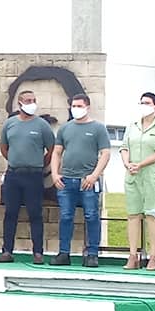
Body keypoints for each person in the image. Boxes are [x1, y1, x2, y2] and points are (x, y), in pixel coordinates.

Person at [50, 93, 111, 267]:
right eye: (73, 106)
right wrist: (55, 174)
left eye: (79, 106)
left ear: (87, 107)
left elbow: (105, 153)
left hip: (88, 181)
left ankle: (92, 254)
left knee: (92, 216)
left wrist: (94, 175)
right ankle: (64, 253)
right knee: (66, 216)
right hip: (66, 180)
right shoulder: (65, 128)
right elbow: (57, 152)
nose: (76, 109)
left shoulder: (98, 128)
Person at [0, 90, 55, 265]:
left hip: (34, 176)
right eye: (28, 100)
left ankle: (38, 252)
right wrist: (16, 161)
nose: (32, 103)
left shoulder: (42, 125)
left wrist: (38, 163)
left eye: (34, 100)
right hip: (13, 175)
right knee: (10, 213)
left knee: (35, 213)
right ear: (20, 103)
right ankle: (7, 251)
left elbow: (51, 149)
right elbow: (4, 147)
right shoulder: (10, 124)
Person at [119, 92, 155, 271]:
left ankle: (153, 256)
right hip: (133, 176)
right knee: (133, 214)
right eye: (141, 102)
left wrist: (141, 164)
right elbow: (124, 147)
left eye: (148, 103)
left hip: (153, 175)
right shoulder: (132, 126)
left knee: (152, 215)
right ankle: (133, 255)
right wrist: (128, 164)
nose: (144, 105)